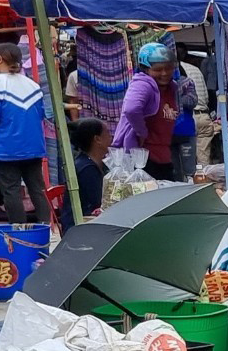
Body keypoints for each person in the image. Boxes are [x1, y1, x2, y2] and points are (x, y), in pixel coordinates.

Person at [0, 42, 52, 225]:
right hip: (32, 146)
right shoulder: (32, 85)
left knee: (11, 190)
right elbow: (42, 114)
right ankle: (45, 227)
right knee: (37, 189)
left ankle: (18, 229)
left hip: (5, 147)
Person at [113, 42, 183, 182]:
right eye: (158, 69)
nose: (164, 73)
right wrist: (142, 132)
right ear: (146, 69)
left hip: (162, 155)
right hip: (142, 159)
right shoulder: (142, 84)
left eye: (168, 68)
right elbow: (131, 109)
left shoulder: (171, 87)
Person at [61, 117, 109, 228]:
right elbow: (99, 202)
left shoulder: (98, 163)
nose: (111, 136)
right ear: (97, 139)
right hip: (81, 226)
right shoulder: (87, 169)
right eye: (107, 132)